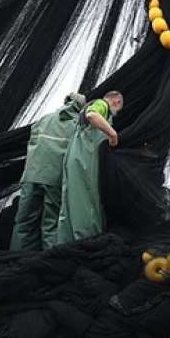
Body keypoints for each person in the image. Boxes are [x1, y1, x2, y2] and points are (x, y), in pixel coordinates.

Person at [9, 92, 87, 251]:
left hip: (31, 175)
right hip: (54, 179)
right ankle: (51, 261)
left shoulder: (44, 119)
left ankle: (18, 258)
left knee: (24, 220)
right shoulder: (76, 124)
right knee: (51, 222)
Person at [54, 91, 123, 246]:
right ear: (116, 101)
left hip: (76, 159)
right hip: (85, 161)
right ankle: (87, 246)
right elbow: (92, 115)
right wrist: (112, 134)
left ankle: (67, 246)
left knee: (71, 206)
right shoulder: (102, 104)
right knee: (87, 205)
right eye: (119, 107)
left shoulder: (81, 115)